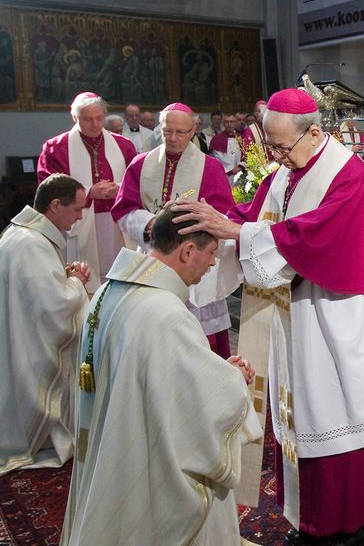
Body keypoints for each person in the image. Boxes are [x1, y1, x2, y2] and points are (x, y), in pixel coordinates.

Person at [172, 88, 364, 545]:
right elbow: (254, 213)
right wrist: (212, 221)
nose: (277, 157)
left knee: (341, 404)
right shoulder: (287, 172)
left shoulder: (348, 175)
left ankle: (351, 517)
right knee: (302, 408)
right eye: (272, 146)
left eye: (283, 146)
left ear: (315, 132)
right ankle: (312, 515)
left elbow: (313, 237)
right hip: (296, 313)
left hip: (336, 314)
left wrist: (239, 231)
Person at [60, 210, 262, 546]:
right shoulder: (164, 312)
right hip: (143, 457)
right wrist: (233, 378)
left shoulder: (109, 291)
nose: (212, 264)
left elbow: (157, 376)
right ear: (186, 252)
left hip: (114, 442)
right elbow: (197, 407)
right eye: (211, 253)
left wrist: (214, 370)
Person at [0, 175, 90, 480]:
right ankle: (25, 437)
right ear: (55, 205)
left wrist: (62, 277)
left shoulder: (22, 234)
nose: (79, 218)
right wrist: (76, 282)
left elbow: (36, 291)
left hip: (10, 333)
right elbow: (54, 306)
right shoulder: (31, 243)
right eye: (76, 210)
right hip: (21, 342)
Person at [111, 102, 238, 358]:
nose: (173, 138)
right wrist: (153, 225)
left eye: (181, 132)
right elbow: (124, 208)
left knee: (202, 339)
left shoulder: (210, 167)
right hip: (154, 255)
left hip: (195, 261)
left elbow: (222, 216)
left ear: (193, 131)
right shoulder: (140, 164)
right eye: (167, 131)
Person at [37, 92, 138, 290]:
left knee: (119, 275)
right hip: (78, 221)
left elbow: (136, 180)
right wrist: (89, 192)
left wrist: (119, 188)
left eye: (99, 118)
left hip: (116, 221)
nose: (94, 124)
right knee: (85, 276)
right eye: (87, 119)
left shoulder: (123, 145)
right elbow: (48, 188)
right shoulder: (56, 147)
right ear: (74, 117)